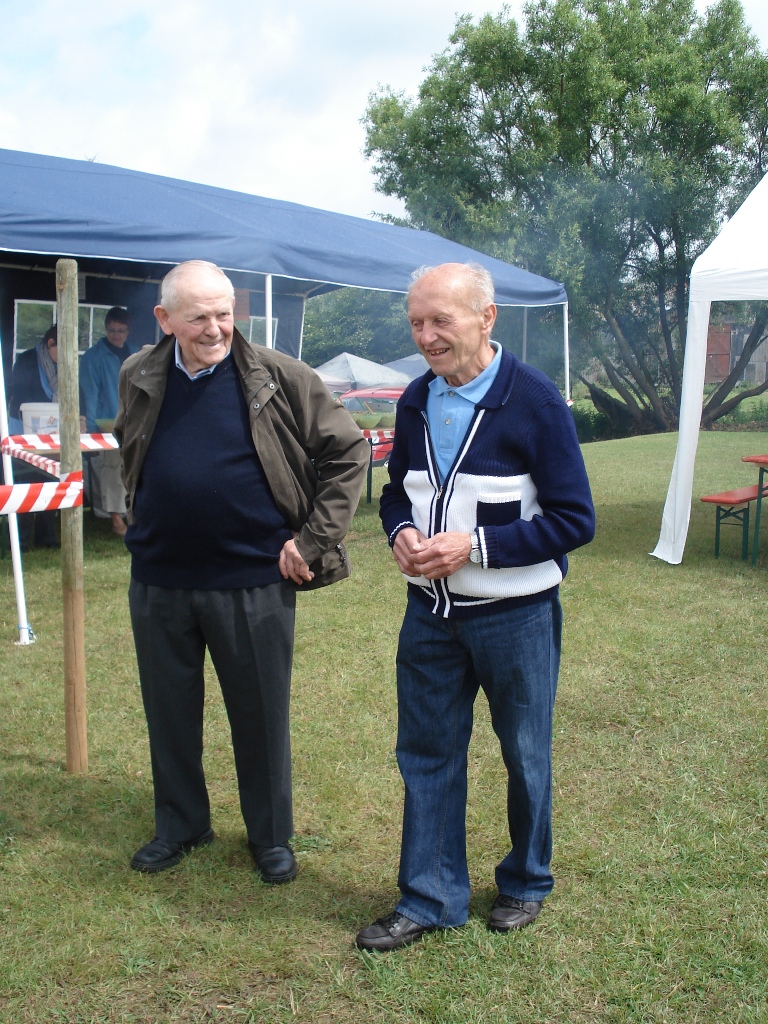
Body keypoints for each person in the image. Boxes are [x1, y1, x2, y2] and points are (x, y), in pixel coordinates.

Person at [356, 262, 595, 952]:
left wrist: (476, 547)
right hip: (428, 614)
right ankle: (429, 897)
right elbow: (399, 489)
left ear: (487, 319)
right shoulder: (416, 398)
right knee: (427, 753)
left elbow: (575, 520)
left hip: (515, 615)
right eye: (417, 323)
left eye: (442, 321)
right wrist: (399, 530)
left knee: (524, 752)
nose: (427, 336)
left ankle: (525, 881)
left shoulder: (537, 402)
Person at [114, 260, 368, 881]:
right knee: (168, 713)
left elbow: (349, 450)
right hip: (159, 579)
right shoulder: (138, 373)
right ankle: (181, 824)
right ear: (165, 319)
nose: (215, 328)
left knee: (259, 715)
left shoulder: (278, 375)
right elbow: (132, 446)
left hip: (253, 583)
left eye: (224, 313)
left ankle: (270, 836)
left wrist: (311, 542)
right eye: (198, 316)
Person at [80, 306, 137, 537]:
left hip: (135, 424)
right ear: (105, 328)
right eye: (112, 330)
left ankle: (131, 515)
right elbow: (89, 394)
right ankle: (116, 520)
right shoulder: (93, 357)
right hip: (107, 425)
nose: (116, 334)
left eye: (120, 330)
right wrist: (92, 431)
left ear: (127, 331)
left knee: (133, 472)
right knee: (113, 470)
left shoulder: (136, 354)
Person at [6, 326, 61, 551]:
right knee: (26, 482)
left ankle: (47, 537)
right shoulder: (27, 360)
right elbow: (16, 395)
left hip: (52, 433)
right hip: (23, 430)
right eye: (62, 346)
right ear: (50, 344)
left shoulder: (64, 365)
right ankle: (20, 540)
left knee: (51, 479)